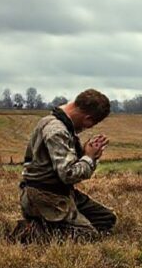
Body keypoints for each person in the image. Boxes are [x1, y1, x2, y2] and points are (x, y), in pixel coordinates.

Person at [11, 88, 117, 241]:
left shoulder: (55, 121)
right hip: (45, 196)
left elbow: (57, 163)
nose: (88, 127)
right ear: (88, 119)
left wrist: (87, 154)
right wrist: (88, 158)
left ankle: (51, 225)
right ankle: (31, 232)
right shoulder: (57, 131)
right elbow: (68, 174)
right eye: (91, 123)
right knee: (87, 235)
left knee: (105, 219)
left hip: (60, 192)